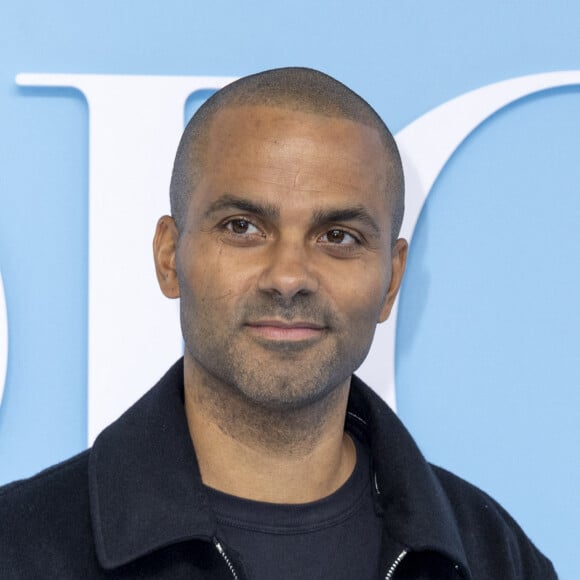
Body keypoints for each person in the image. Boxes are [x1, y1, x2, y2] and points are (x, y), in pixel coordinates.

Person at [0, 67, 556, 579]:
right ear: (170, 257)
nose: (289, 277)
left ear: (391, 280)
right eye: (243, 227)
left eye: (339, 237)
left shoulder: (494, 557)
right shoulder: (19, 548)